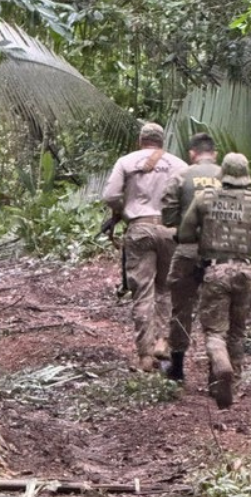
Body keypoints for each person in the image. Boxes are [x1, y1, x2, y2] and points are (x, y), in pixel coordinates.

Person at [178, 153, 251, 409]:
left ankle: (220, 364)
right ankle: (231, 387)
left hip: (216, 271)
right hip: (246, 273)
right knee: (237, 332)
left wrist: (206, 230)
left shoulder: (205, 198)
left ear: (223, 175)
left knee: (215, 332)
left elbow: (184, 234)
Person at [103, 123, 188, 372]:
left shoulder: (127, 161)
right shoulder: (179, 165)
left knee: (143, 291)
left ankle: (144, 356)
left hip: (140, 228)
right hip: (170, 230)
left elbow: (110, 195)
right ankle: (163, 339)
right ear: (162, 142)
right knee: (166, 288)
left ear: (141, 140)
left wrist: (122, 208)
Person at [160, 133, 222, 382]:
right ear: (214, 153)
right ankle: (215, 371)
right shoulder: (227, 177)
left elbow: (167, 217)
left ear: (192, 154)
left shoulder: (181, 176)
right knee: (217, 311)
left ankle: (177, 368)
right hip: (220, 253)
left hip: (187, 250)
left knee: (181, 308)